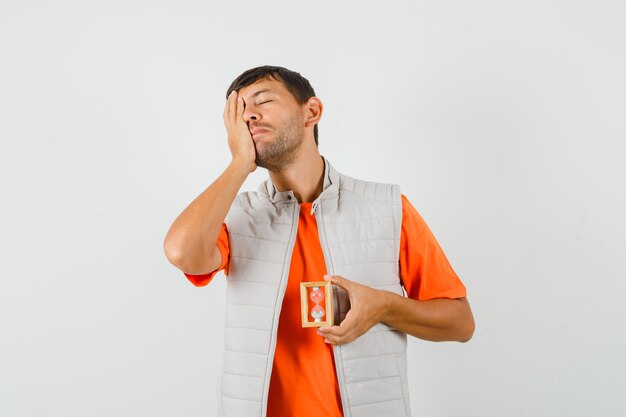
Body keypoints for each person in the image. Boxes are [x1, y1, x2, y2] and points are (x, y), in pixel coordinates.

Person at [163, 65, 475, 417]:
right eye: (238, 112)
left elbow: (460, 322)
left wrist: (386, 307)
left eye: (262, 101)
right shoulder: (234, 217)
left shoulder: (387, 209)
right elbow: (181, 251)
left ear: (311, 111)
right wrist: (239, 164)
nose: (249, 115)